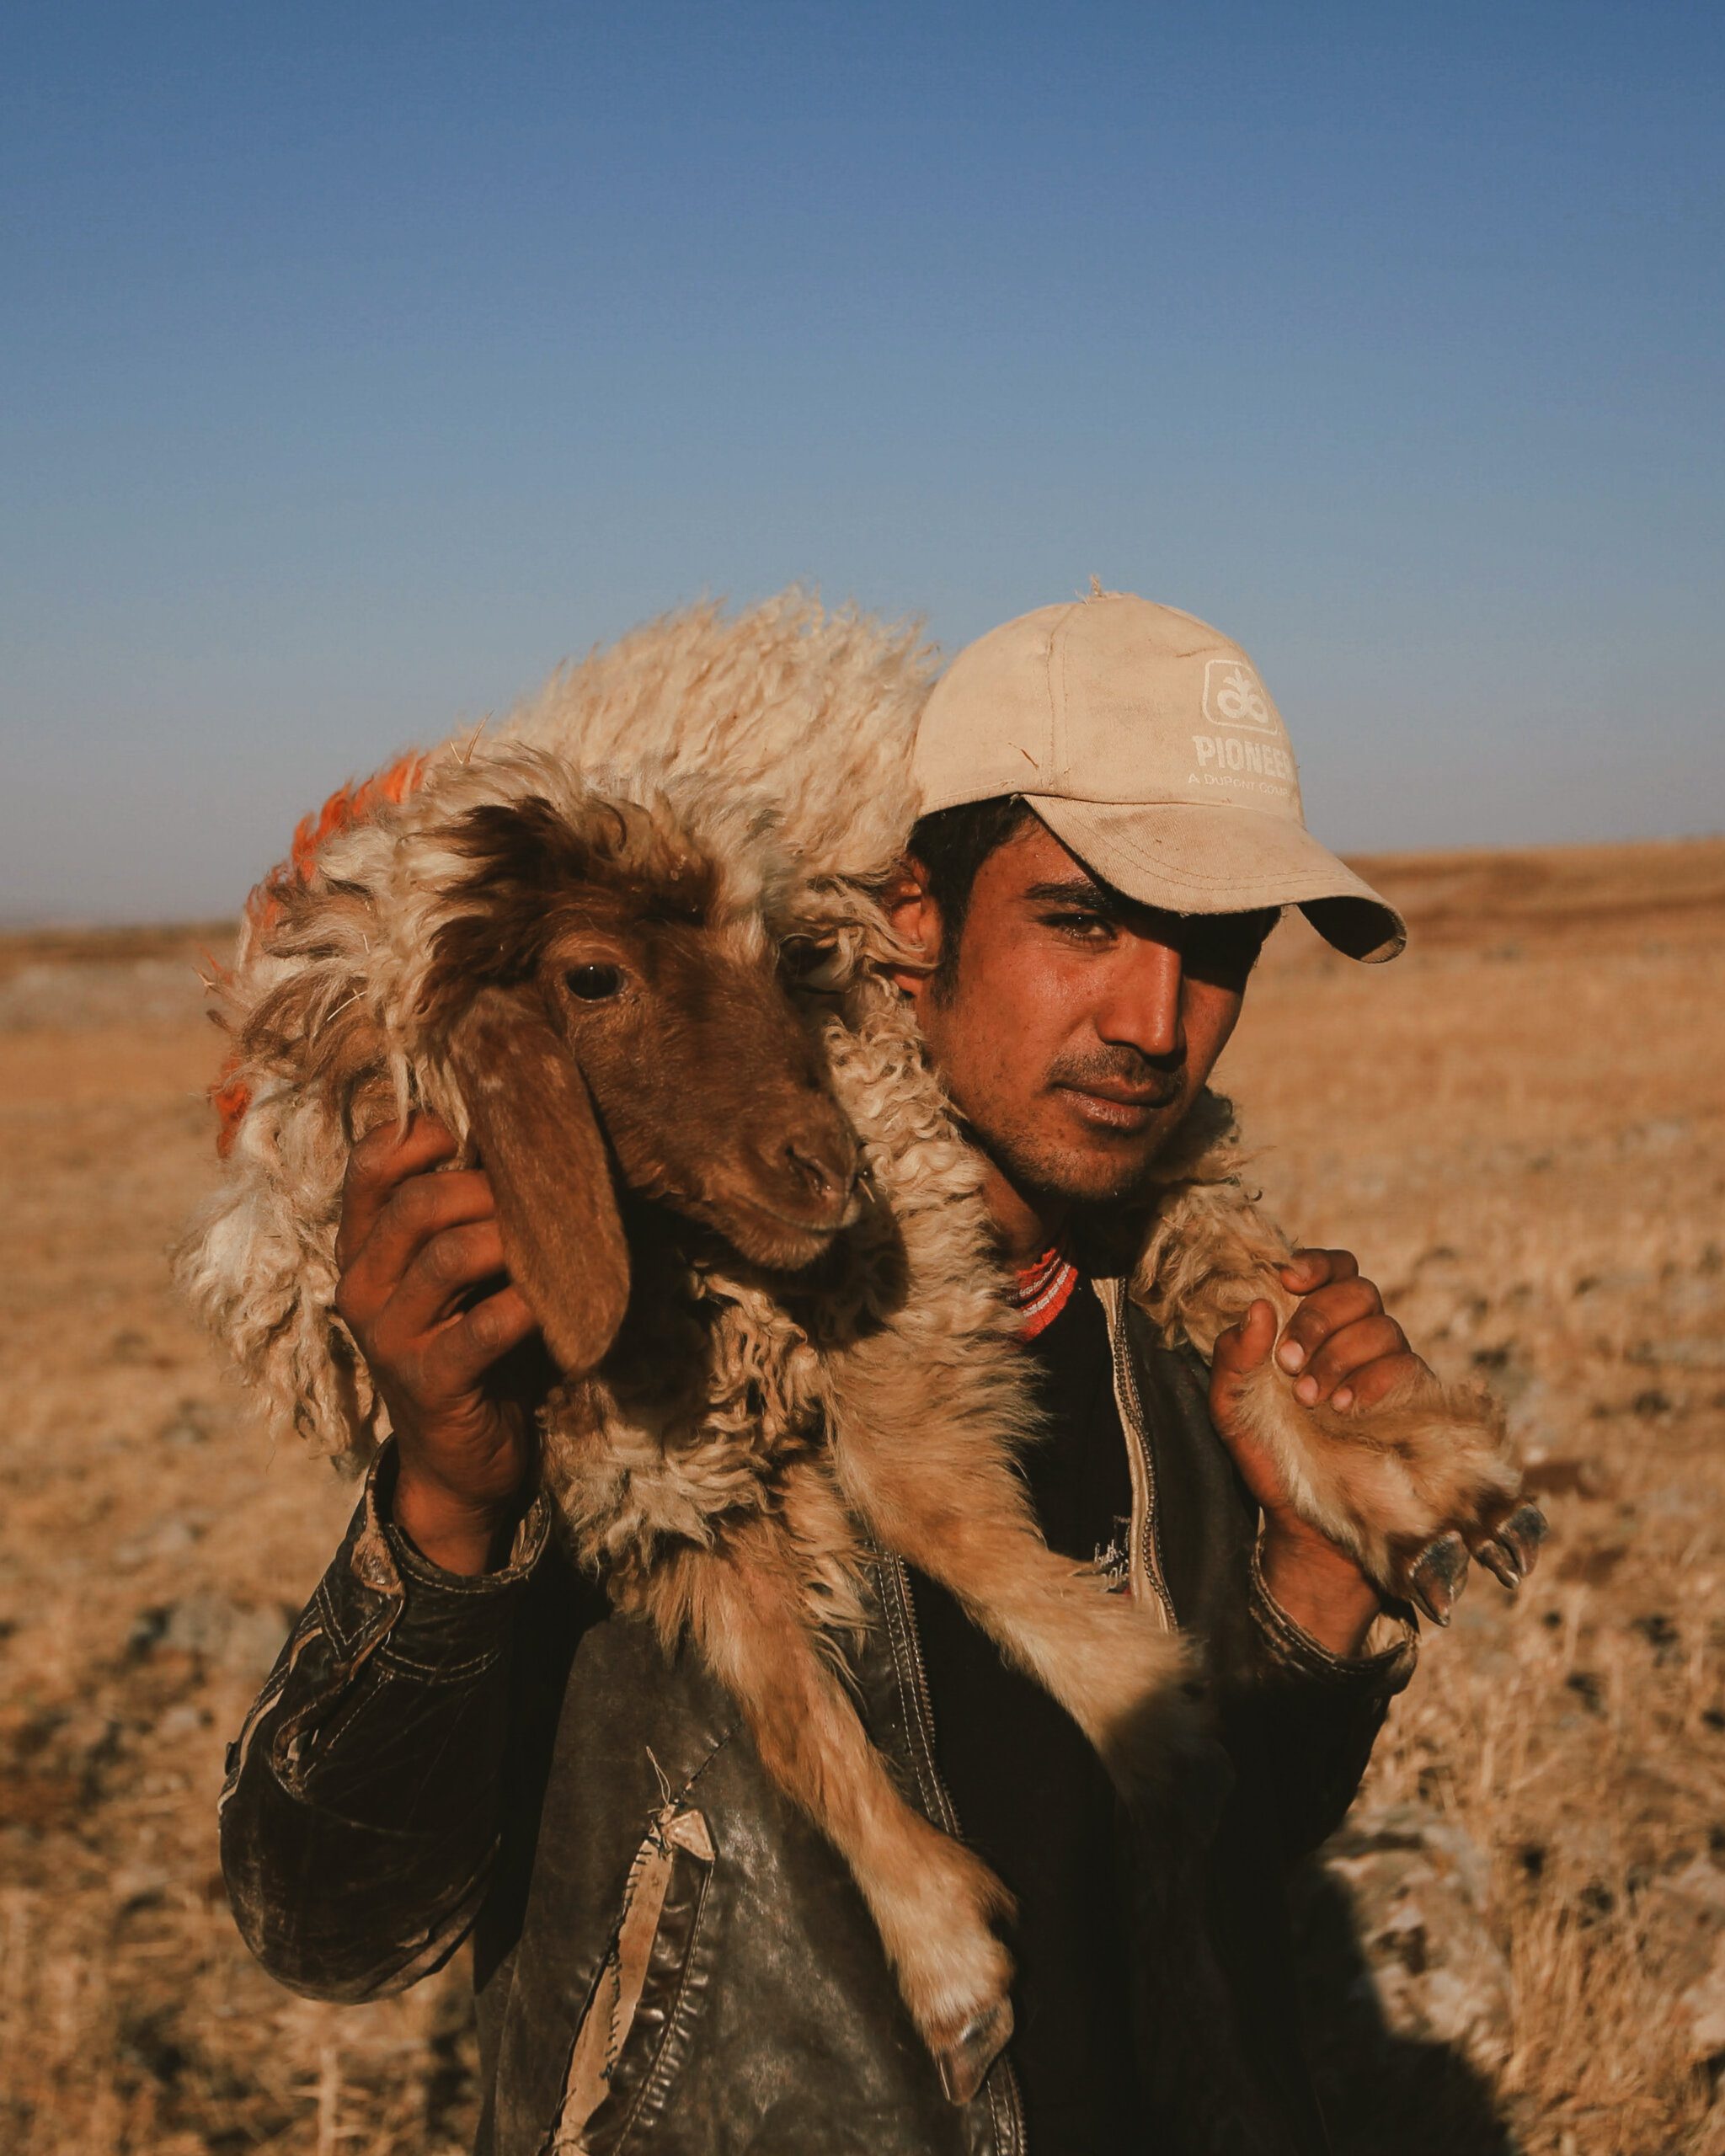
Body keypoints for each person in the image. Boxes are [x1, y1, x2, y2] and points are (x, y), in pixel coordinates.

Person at [220, 590, 1430, 2155]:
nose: (1153, 1022)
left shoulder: (1189, 1344)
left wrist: (1314, 1604)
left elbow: (1215, 1864)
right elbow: (330, 1927)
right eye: (1083, 922)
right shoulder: (640, 1362)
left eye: (1219, 952)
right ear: (913, 915)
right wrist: (446, 1513)